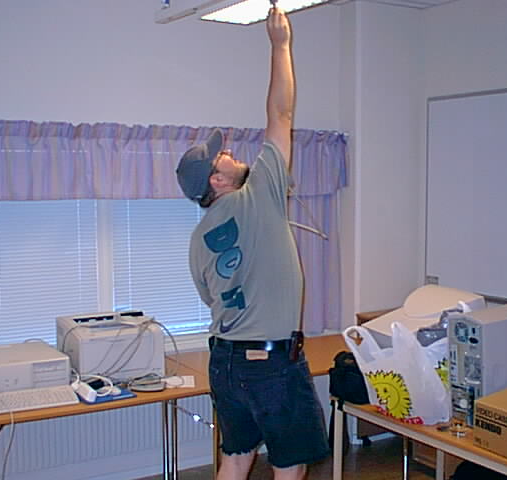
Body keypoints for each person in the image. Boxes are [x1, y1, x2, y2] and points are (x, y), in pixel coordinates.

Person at [175, 7, 329, 480]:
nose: (231, 154)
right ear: (217, 180)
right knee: (289, 463)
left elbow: (211, 297)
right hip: (270, 363)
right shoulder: (260, 193)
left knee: (237, 457)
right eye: (222, 156)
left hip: (224, 360)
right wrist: (280, 44)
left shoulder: (198, 239)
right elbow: (281, 113)